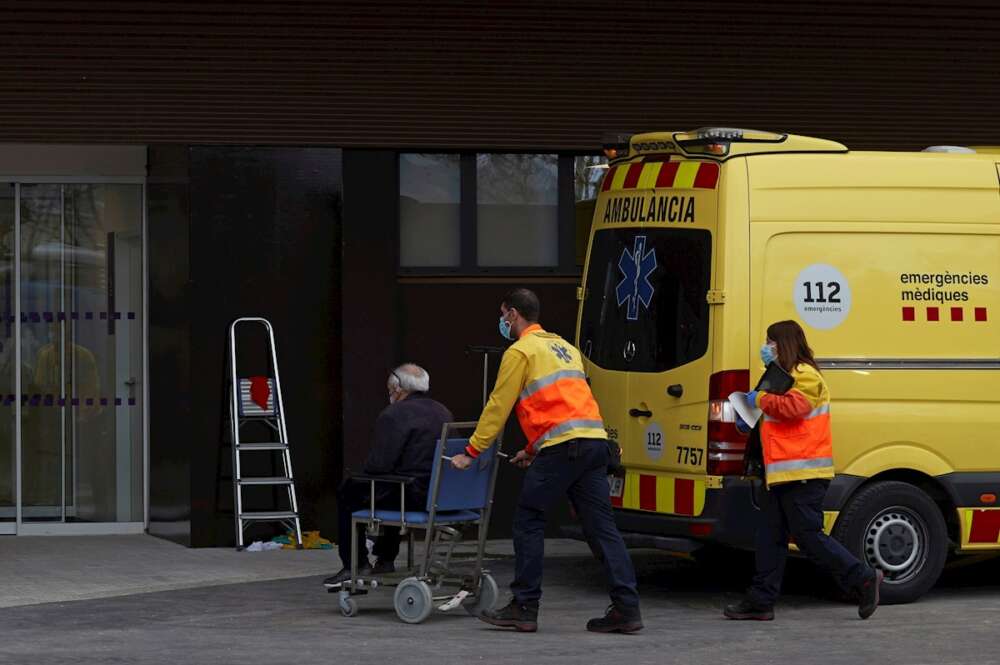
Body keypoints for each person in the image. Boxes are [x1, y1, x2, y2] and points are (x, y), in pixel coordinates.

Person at [451, 288, 642, 634]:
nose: (501, 321)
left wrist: (471, 451)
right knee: (603, 529)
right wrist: (534, 449)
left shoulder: (520, 351)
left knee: (528, 520)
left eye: (502, 314)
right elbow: (564, 408)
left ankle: (524, 606)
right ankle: (627, 609)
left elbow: (498, 407)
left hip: (565, 450)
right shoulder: (565, 348)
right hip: (593, 445)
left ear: (512, 315)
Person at [724, 320, 882, 621]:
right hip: (780, 473)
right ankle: (761, 601)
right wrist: (748, 413)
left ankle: (863, 578)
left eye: (770, 342)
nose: (766, 347)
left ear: (783, 344)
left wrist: (758, 399)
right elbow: (772, 416)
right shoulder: (777, 375)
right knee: (769, 538)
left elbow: (792, 408)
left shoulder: (805, 375)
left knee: (809, 537)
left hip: (804, 473)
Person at [323, 363, 452, 587]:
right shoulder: (443, 411)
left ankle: (355, 563)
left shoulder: (394, 414)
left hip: (412, 495)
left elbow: (379, 465)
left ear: (397, 388)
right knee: (388, 486)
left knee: (351, 491)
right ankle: (385, 558)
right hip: (439, 493)